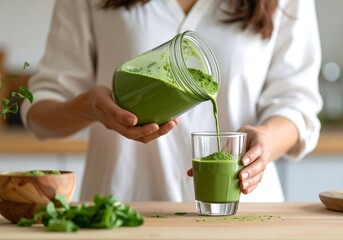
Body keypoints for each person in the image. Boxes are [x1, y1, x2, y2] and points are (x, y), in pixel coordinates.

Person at [21, 0, 322, 202]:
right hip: (125, 210)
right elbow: (40, 115)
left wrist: (267, 140)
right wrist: (90, 106)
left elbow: (298, 105)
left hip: (243, 212)